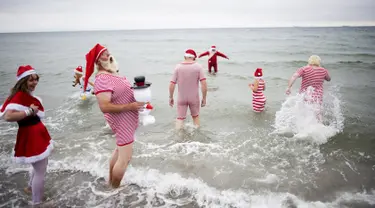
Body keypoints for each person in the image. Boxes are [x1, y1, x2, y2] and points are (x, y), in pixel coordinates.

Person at [83, 43, 144, 188]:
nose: (109, 55)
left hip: (127, 118)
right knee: (125, 159)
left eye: (109, 52)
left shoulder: (111, 73)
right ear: (98, 61)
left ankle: (110, 182)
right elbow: (105, 106)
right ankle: (115, 189)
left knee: (119, 151)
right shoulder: (102, 78)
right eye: (105, 54)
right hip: (122, 121)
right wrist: (130, 106)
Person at [0, 65, 53, 205]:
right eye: (31, 80)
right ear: (23, 81)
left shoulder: (25, 95)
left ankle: (30, 188)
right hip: (31, 135)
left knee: (39, 167)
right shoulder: (19, 96)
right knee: (41, 172)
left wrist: (30, 112)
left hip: (35, 133)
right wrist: (29, 111)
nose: (35, 82)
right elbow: (8, 116)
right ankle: (37, 203)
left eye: (36, 79)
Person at [169, 49, 208, 129]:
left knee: (180, 119)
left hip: (181, 98)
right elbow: (203, 83)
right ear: (194, 58)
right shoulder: (198, 67)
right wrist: (204, 98)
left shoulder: (178, 67)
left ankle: (177, 139)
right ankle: (197, 139)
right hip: (194, 98)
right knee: (195, 117)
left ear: (184, 56)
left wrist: (171, 97)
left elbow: (172, 84)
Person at [286, 55, 331, 120]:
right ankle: (320, 125)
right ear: (319, 62)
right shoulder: (323, 70)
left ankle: (304, 123)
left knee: (305, 109)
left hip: (305, 93)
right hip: (318, 95)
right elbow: (328, 79)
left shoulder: (304, 69)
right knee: (317, 111)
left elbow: (294, 76)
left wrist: (289, 87)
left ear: (309, 61)